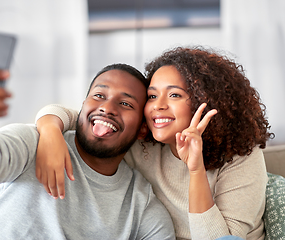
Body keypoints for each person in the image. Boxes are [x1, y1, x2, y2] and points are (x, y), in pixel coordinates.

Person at [34, 46, 273, 240]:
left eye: (174, 95)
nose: (158, 105)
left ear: (205, 101)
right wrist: (50, 133)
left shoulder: (241, 155)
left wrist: (196, 169)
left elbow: (221, 239)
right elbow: (82, 116)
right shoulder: (142, 142)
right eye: (152, 96)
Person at [0, 46, 176, 239]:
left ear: (142, 129)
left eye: (126, 104)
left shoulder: (140, 203)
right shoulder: (34, 142)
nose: (107, 108)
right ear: (82, 106)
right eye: (99, 96)